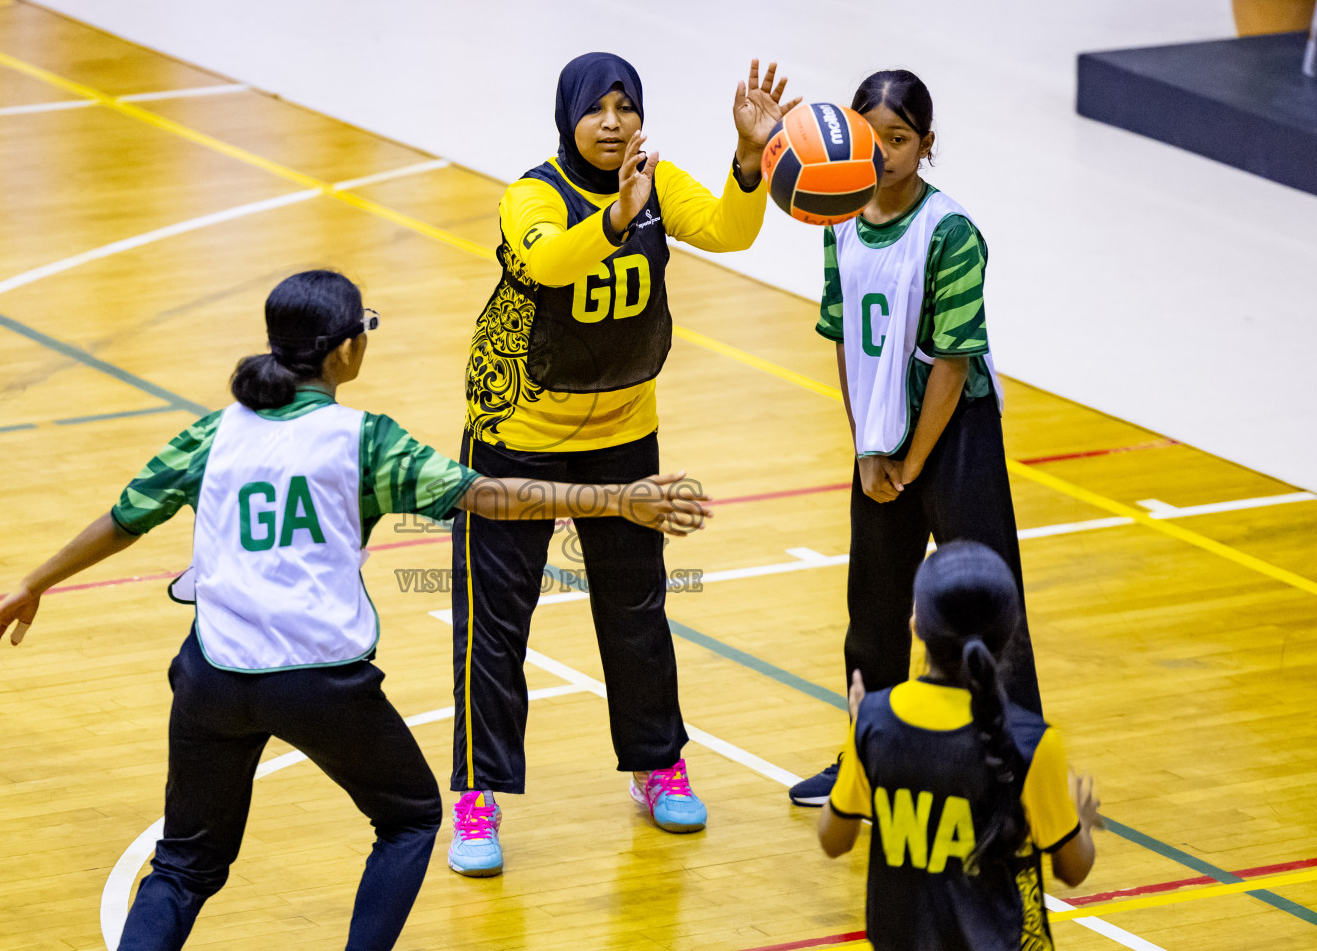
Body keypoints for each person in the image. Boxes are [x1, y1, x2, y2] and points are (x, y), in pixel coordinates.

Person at [0, 270, 710, 951]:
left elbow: (127, 516)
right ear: (348, 349)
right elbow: (494, 495)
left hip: (212, 677)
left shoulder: (214, 433)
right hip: (318, 680)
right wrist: (616, 498)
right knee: (412, 818)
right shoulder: (365, 442)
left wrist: (35, 582)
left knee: (185, 868)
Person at [450, 52, 797, 876]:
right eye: (596, 108)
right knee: (493, 629)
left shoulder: (658, 180)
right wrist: (613, 221)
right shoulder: (530, 195)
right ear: (568, 115)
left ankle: (657, 764)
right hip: (517, 436)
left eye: (625, 106)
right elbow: (547, 263)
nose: (612, 122)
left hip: (622, 435)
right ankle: (475, 798)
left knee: (636, 613)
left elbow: (729, 230)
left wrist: (749, 160)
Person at [790, 69, 1044, 806]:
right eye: (872, 139)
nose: (885, 153)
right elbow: (843, 340)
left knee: (986, 597)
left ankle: (1014, 765)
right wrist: (867, 446)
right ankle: (868, 762)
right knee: (871, 606)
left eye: (899, 139)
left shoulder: (951, 232)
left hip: (952, 432)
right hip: (882, 438)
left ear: (927, 145)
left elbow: (953, 357)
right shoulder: (838, 219)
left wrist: (911, 460)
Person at [817, 541, 1101, 951]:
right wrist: (1081, 819)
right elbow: (1073, 869)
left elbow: (833, 840)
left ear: (916, 627)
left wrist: (859, 738)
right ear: (1010, 632)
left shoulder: (876, 721)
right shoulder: (1033, 741)